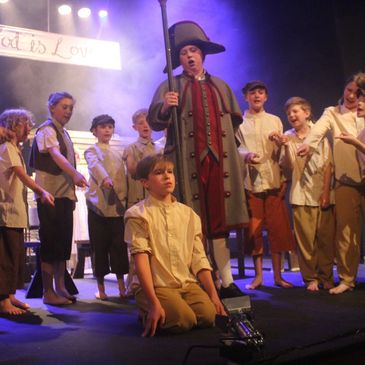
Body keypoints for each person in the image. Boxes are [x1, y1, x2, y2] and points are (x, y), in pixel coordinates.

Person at [148, 21, 248, 298]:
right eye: (183, 53)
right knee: (192, 221)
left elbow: (233, 127)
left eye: (193, 50)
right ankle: (200, 280)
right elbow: (155, 121)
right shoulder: (170, 86)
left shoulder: (220, 86)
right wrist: (165, 106)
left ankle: (226, 280)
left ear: (202, 54)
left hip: (219, 163)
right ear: (178, 59)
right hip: (186, 164)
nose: (189, 56)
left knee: (219, 220)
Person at [124, 154, 226, 336]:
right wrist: (154, 302)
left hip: (185, 283)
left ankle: (175, 306)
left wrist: (214, 295)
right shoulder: (137, 214)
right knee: (183, 321)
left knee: (208, 316)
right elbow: (141, 260)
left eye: (170, 172)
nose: (167, 176)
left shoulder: (188, 214)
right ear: (145, 183)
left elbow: (199, 258)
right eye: (159, 173)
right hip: (157, 285)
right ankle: (147, 310)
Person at [297, 75, 363, 294]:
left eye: (357, 92)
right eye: (348, 90)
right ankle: (346, 279)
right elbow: (317, 130)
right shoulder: (332, 113)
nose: (351, 95)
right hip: (347, 180)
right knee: (345, 231)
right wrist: (308, 144)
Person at [236, 81, 295, 290]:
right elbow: (237, 150)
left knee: (277, 228)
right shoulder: (240, 123)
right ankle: (259, 275)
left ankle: (278, 275)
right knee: (254, 230)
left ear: (266, 97)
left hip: (273, 180)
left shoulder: (275, 120)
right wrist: (247, 155)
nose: (257, 96)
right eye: (253, 93)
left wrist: (281, 143)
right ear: (246, 97)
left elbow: (280, 155)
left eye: (261, 92)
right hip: (251, 182)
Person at [30, 91, 88, 305]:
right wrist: (75, 174)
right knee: (50, 244)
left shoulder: (63, 132)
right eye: (64, 107)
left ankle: (60, 287)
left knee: (62, 244)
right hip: (50, 195)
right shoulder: (47, 130)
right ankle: (48, 292)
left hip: (64, 195)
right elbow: (55, 154)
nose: (68, 111)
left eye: (71, 107)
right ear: (51, 107)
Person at [0, 109, 54, 315]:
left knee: (15, 256)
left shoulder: (14, 148)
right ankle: (3, 300)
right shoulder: (6, 147)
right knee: (6, 257)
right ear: (13, 125)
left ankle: (10, 296)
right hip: (7, 212)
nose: (29, 128)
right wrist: (41, 191)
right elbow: (21, 175)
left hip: (15, 212)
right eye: (25, 124)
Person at [279, 97, 335, 291]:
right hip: (300, 195)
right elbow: (287, 168)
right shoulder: (288, 136)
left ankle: (326, 276)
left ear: (307, 113)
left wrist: (326, 192)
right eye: (288, 113)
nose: (292, 116)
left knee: (325, 239)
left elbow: (328, 165)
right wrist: (286, 146)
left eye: (295, 111)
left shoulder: (320, 133)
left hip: (321, 193)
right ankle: (310, 277)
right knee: (305, 242)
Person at [84, 114, 129, 300]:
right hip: (98, 208)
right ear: (94, 130)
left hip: (117, 208)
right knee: (99, 247)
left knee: (119, 247)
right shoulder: (91, 150)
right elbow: (95, 166)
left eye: (110, 126)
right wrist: (105, 179)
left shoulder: (118, 153)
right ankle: (101, 289)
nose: (107, 130)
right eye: (103, 127)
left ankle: (121, 287)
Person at [123, 109, 158, 208]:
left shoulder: (160, 149)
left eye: (148, 122)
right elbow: (133, 171)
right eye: (141, 123)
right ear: (135, 127)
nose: (145, 125)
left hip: (156, 196)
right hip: (137, 198)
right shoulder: (131, 148)